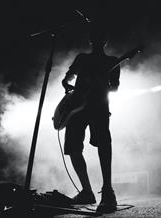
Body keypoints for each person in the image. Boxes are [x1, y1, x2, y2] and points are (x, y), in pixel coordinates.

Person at [61, 24, 120, 213]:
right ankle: (87, 191)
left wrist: (101, 84)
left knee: (103, 145)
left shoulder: (113, 61)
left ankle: (108, 191)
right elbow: (68, 77)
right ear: (91, 41)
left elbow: (115, 87)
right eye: (93, 39)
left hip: (99, 106)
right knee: (72, 147)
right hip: (77, 108)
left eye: (99, 38)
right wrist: (67, 83)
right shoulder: (82, 58)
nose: (96, 42)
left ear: (104, 41)